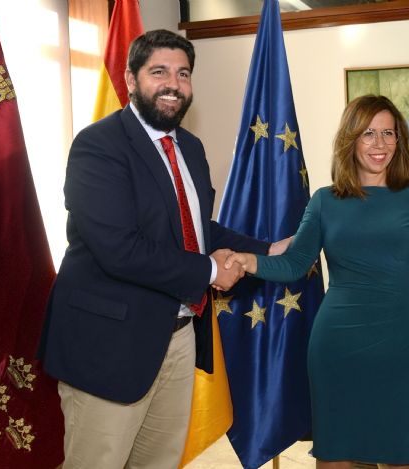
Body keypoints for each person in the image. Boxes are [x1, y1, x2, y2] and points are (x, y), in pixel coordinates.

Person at [37, 29, 285, 469]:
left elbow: (196, 229)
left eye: (183, 73)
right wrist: (211, 272)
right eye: (159, 72)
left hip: (179, 337)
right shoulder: (98, 146)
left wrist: (269, 250)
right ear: (131, 79)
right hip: (110, 346)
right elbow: (120, 249)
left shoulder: (189, 147)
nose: (173, 83)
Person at [225, 95, 409, 469]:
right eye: (368, 133)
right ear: (351, 139)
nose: (379, 144)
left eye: (388, 133)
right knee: (334, 454)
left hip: (401, 345)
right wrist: (249, 261)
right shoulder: (324, 201)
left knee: (399, 455)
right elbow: (296, 263)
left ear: (399, 140)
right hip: (337, 345)